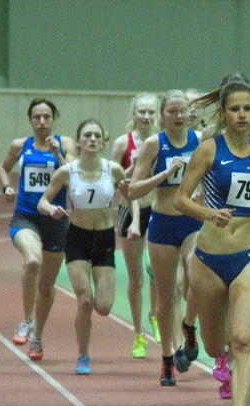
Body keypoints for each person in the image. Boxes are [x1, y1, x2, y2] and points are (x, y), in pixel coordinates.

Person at [174, 80, 250, 406]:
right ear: (223, 114)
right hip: (208, 258)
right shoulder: (208, 151)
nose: (242, 116)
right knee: (213, 344)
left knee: (243, 340)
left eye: (248, 109)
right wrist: (208, 212)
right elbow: (180, 199)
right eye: (235, 109)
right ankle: (193, 332)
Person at [124, 90, 202, 386]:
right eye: (172, 111)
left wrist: (201, 191)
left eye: (183, 110)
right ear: (162, 115)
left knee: (195, 278)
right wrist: (165, 174)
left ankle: (189, 327)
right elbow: (133, 190)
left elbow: (212, 177)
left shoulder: (199, 142)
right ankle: (168, 358)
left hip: (192, 221)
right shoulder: (154, 144)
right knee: (165, 296)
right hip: (162, 224)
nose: (178, 116)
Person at [38, 119, 125, 374]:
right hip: (77, 238)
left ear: (104, 141)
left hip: (105, 238)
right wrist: (51, 208)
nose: (92, 140)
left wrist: (134, 223)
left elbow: (132, 196)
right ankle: (83, 356)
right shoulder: (67, 171)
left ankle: (84, 351)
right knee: (85, 301)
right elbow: (42, 201)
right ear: (78, 141)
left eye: (97, 135)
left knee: (104, 307)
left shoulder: (114, 170)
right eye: (87, 135)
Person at [0, 98, 76, 361]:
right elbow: (3, 167)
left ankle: (37, 336)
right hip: (26, 217)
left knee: (47, 285)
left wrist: (57, 154)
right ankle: (26, 319)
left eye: (46, 117)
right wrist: (6, 186)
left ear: (54, 119)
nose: (42, 122)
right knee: (32, 261)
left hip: (56, 219)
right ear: (30, 120)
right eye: (37, 117)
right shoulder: (21, 146)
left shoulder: (65, 145)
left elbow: (74, 175)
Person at [110, 93, 160, 360]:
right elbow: (113, 180)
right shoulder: (122, 143)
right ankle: (138, 333)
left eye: (151, 112)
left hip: (158, 209)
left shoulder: (162, 141)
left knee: (156, 269)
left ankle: (155, 315)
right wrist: (134, 166)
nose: (147, 117)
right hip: (130, 210)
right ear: (133, 113)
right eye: (142, 111)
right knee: (136, 277)